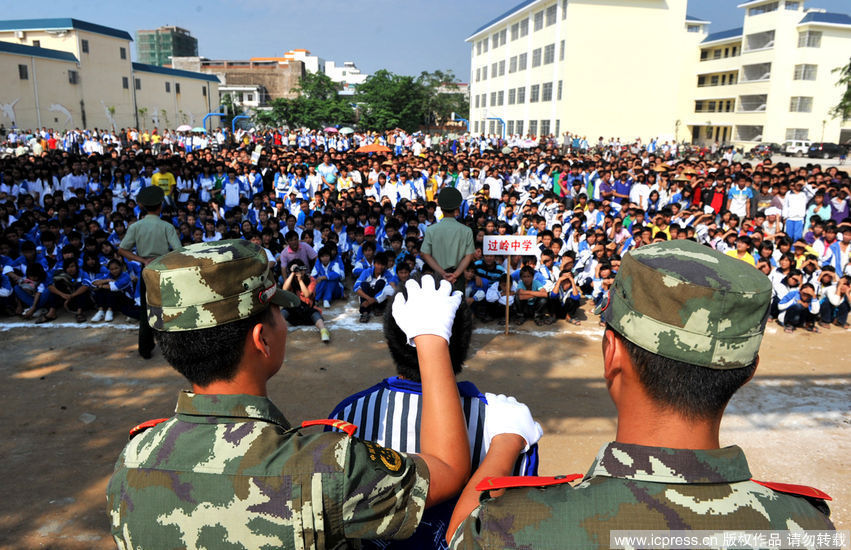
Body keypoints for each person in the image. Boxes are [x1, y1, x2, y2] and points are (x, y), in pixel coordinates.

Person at [106, 240, 495, 548]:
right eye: (276, 312)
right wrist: (430, 337)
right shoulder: (323, 468)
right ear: (262, 340)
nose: (283, 323)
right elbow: (446, 466)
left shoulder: (132, 462)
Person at [447, 240, 834, 549]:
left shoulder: (513, 526)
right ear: (747, 372)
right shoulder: (809, 528)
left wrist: (504, 446)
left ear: (611, 353)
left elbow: (459, 539)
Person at [327, 277, 541, 549]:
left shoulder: (347, 416)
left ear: (390, 340)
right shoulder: (509, 424)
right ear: (466, 340)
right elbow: (510, 526)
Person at [117, 185, 182, 358]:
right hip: (164, 271)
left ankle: (145, 349)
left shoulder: (136, 227)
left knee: (146, 310)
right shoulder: (167, 227)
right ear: (160, 205)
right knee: (168, 308)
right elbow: (178, 250)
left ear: (143, 206)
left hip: (146, 270)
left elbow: (122, 250)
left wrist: (143, 260)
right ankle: (172, 347)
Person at [422, 187, 475, 289]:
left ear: (441, 208)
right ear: (457, 209)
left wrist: (442, 273)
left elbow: (425, 254)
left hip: (438, 275)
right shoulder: (466, 230)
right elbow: (469, 255)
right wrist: (455, 274)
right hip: (457, 278)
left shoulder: (431, 230)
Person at [282, 258, 331, 343]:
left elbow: (307, 294)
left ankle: (323, 331)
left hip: (307, 311)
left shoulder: (311, 279)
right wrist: (293, 273)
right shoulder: (290, 280)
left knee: (316, 314)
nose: (300, 272)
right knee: (284, 311)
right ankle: (274, 330)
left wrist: (300, 280)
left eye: (301, 269)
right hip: (294, 313)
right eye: (297, 270)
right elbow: (284, 290)